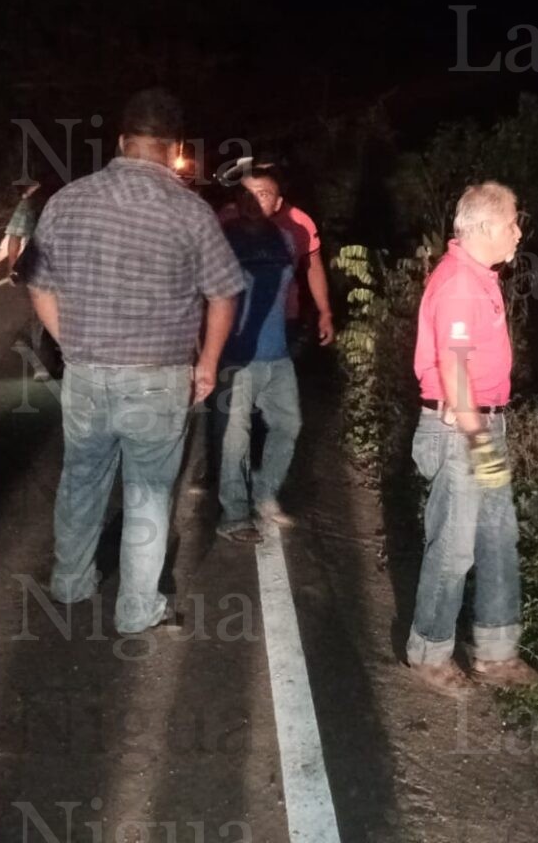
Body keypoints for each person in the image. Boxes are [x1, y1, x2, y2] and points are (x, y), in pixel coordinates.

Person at [19, 88, 244, 636]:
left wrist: (71, 340)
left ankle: (70, 581)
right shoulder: (190, 211)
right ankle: (137, 608)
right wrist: (208, 363)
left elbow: (37, 283)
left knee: (82, 478)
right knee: (147, 493)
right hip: (158, 377)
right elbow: (223, 293)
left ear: (122, 141)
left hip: (87, 373)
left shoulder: (68, 201)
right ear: (175, 148)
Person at [404, 181, 538, 695]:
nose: (518, 233)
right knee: (454, 546)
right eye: (511, 223)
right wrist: (480, 439)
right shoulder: (461, 283)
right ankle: (429, 651)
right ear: (484, 226)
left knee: (497, 538)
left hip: (482, 426)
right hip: (463, 431)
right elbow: (453, 370)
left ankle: (497, 652)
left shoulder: (480, 277)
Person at [212, 177, 303, 544]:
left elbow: (288, 289)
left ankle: (265, 496)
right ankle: (234, 514)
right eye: (247, 194)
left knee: (288, 426)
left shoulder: (285, 239)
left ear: (277, 202)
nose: (254, 200)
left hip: (277, 355)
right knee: (235, 437)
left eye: (263, 194)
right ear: (237, 199)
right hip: (236, 354)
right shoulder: (222, 239)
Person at [225, 161, 334, 354]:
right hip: (234, 316)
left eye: (264, 193)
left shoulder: (299, 223)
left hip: (284, 315)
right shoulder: (227, 218)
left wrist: (325, 311)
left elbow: (313, 267)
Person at [0, 177, 58, 380]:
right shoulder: (65, 197)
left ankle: (45, 365)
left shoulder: (29, 204)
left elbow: (14, 237)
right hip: (67, 264)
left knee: (40, 314)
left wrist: (13, 267)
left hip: (38, 265)